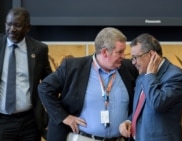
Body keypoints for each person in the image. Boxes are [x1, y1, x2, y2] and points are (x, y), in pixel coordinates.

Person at [38, 27, 138, 141]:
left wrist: (129, 120)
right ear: (104, 52)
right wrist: (64, 117)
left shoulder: (129, 68)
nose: (124, 56)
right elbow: (44, 88)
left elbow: (139, 101)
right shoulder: (73, 68)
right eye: (119, 52)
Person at [119, 33, 182, 141]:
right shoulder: (142, 75)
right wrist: (129, 121)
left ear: (151, 54)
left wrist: (150, 75)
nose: (133, 63)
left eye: (135, 58)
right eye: (132, 58)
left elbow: (157, 103)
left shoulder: (175, 75)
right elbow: (141, 108)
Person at [0, 7, 52, 141]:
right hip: (2, 121)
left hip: (30, 122)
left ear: (27, 28)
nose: (12, 29)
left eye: (17, 25)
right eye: (9, 24)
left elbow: (49, 82)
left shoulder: (39, 49)